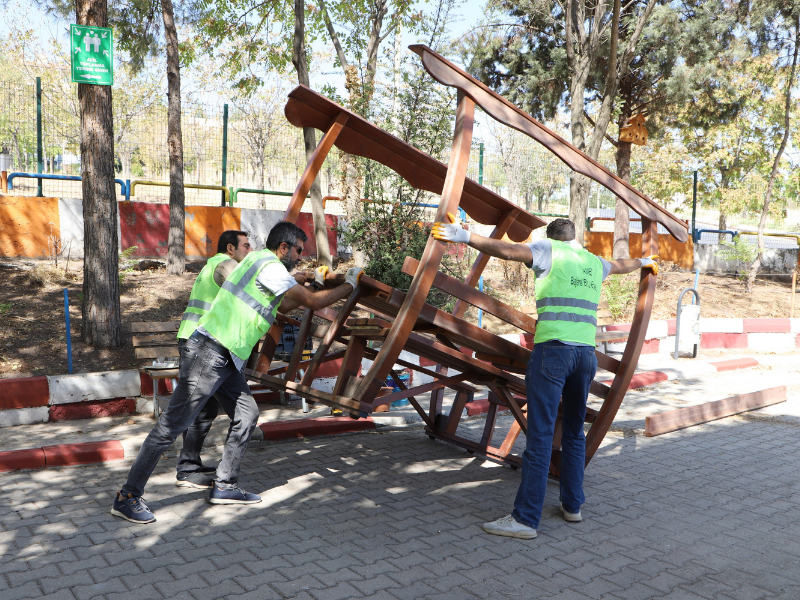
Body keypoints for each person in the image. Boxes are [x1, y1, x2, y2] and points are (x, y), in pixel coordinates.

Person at [112, 221, 363, 524]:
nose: (300, 257)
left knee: (246, 413)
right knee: (170, 426)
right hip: (211, 351)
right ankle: (128, 496)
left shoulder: (257, 262)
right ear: (283, 247)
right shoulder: (270, 265)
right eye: (298, 250)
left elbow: (288, 303)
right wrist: (349, 285)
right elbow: (309, 302)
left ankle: (225, 486)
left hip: (225, 354)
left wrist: (317, 283)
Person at [431, 215, 657, 540]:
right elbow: (622, 264)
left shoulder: (550, 251)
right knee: (575, 433)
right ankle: (572, 505)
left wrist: (464, 235)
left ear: (550, 239)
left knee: (540, 435)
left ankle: (525, 519)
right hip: (585, 356)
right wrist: (645, 261)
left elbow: (507, 251)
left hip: (553, 353)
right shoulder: (593, 261)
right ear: (574, 236)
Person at [173, 230, 252, 489]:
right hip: (202, 345)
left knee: (203, 408)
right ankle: (189, 469)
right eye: (246, 246)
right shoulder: (224, 264)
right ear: (231, 248)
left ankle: (189, 466)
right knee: (200, 408)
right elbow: (245, 290)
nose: (249, 252)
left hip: (199, 343)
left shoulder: (212, 265)